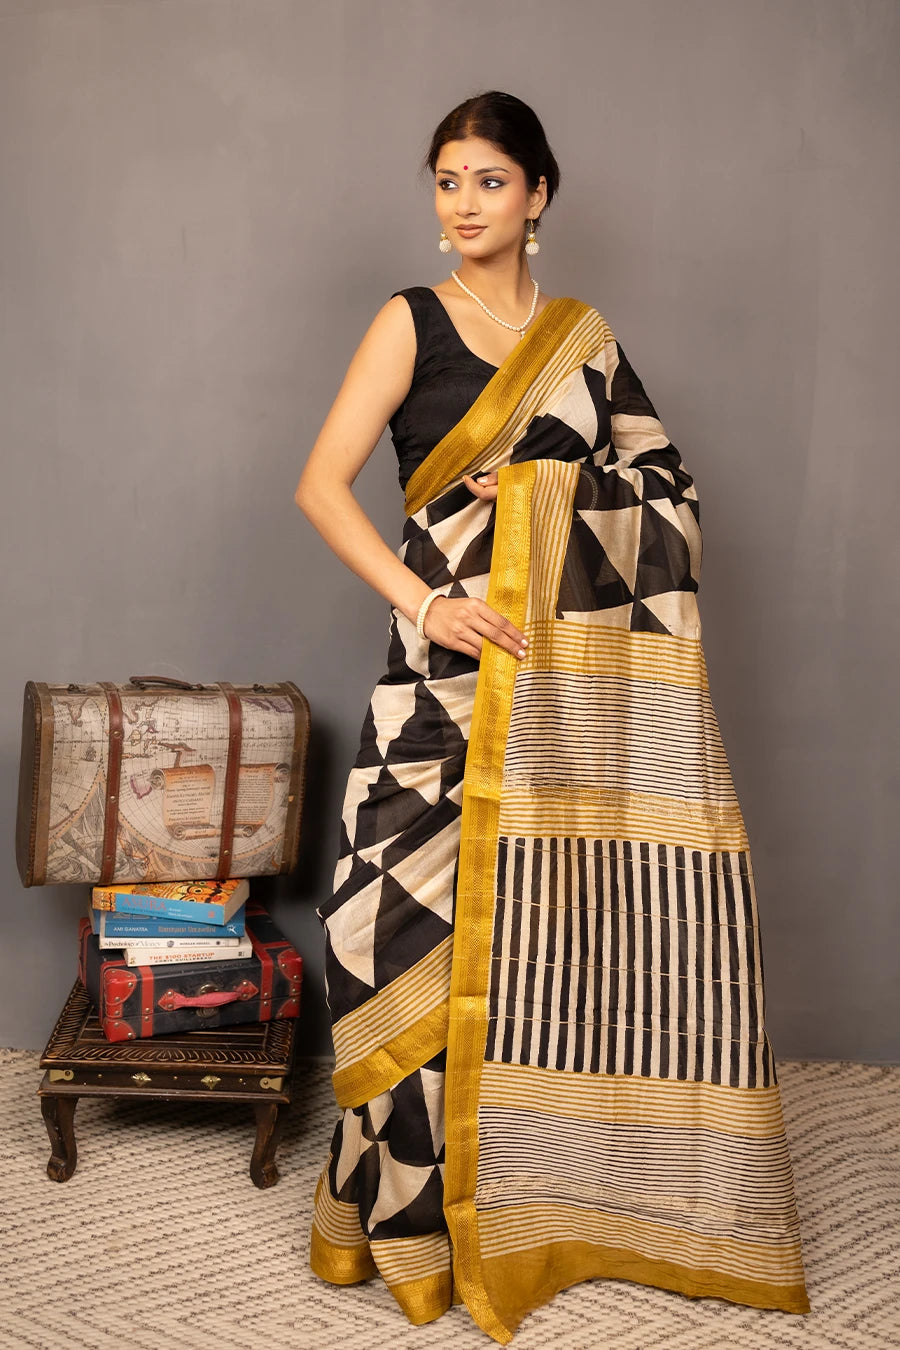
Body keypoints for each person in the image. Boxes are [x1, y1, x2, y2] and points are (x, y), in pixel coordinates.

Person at [295, 90, 810, 1344]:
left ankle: (537, 1203)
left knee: (534, 941)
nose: (463, 202)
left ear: (539, 195)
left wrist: (540, 489)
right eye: (447, 180)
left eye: (488, 180)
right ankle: (406, 1217)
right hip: (438, 677)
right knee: (377, 936)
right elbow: (320, 486)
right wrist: (428, 603)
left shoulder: (585, 340)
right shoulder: (410, 321)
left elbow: (670, 496)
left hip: (558, 703)